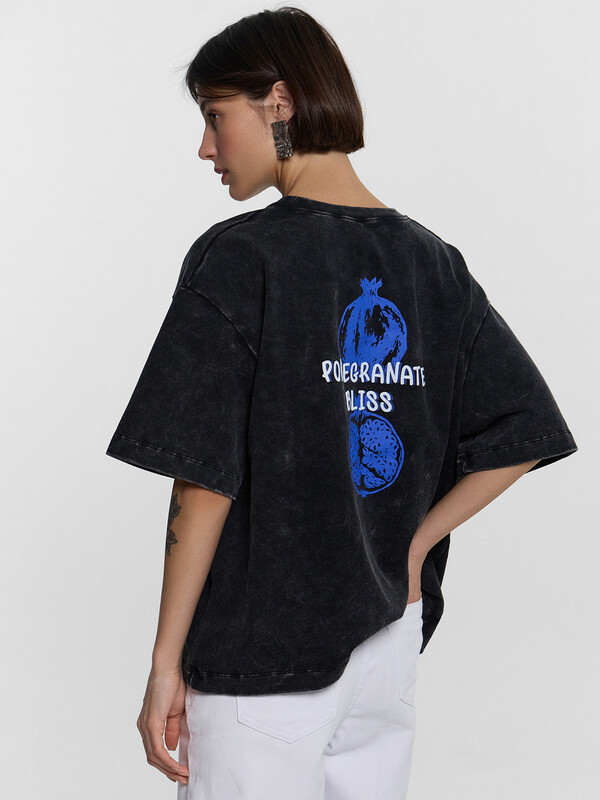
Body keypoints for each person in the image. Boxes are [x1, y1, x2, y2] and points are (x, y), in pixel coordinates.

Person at [105, 7, 578, 799]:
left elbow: (203, 479)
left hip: (264, 655)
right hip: (385, 646)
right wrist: (413, 548)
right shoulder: (434, 263)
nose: (206, 147)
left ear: (279, 103)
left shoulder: (242, 257)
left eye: (215, 117)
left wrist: (164, 664)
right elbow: (523, 428)